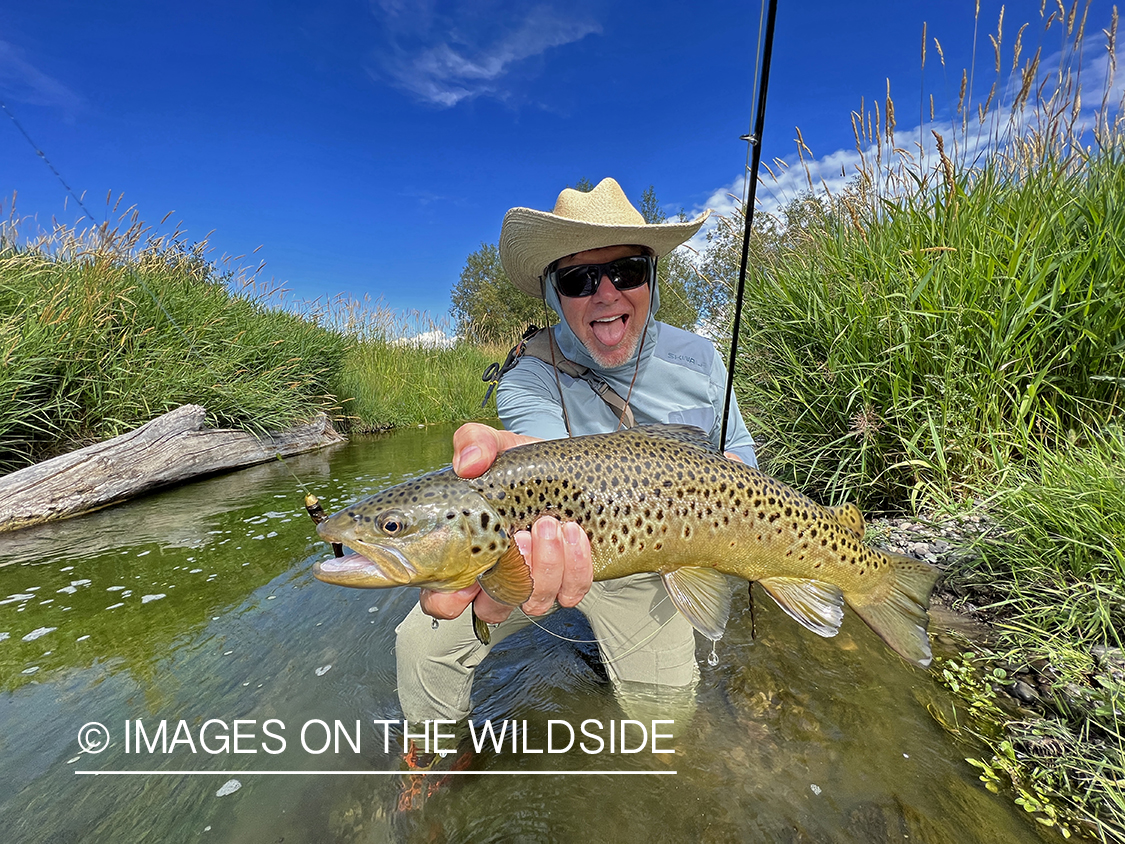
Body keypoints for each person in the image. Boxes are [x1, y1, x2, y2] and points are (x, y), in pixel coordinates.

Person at [394, 177, 757, 732]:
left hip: (653, 572)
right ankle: (433, 757)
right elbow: (536, 461)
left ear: (652, 277)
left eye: (628, 270)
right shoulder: (527, 375)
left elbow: (741, 467)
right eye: (579, 278)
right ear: (553, 294)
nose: (606, 292)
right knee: (422, 640)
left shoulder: (702, 360)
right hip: (531, 556)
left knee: (667, 726)